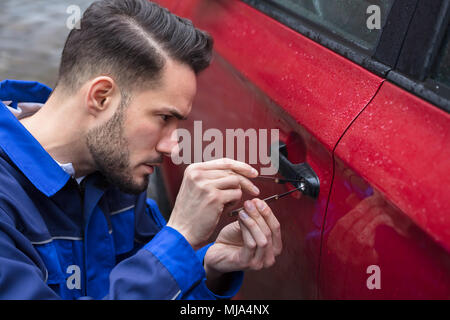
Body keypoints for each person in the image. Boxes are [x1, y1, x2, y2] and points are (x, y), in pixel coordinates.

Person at [0, 0, 282, 299]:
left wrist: (207, 269)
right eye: (163, 118)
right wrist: (180, 237)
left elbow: (151, 282)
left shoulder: (115, 171)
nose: (173, 147)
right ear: (101, 97)